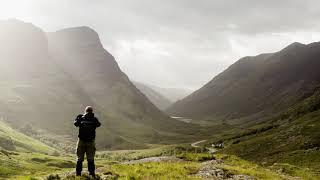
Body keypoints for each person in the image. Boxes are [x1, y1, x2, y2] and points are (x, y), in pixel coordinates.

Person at [74, 106, 101, 177]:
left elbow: (75, 124)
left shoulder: (81, 117)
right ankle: (92, 174)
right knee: (90, 159)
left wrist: (80, 118)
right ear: (92, 111)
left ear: (85, 111)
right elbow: (98, 124)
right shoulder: (94, 119)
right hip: (91, 142)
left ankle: (78, 175)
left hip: (81, 141)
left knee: (79, 158)